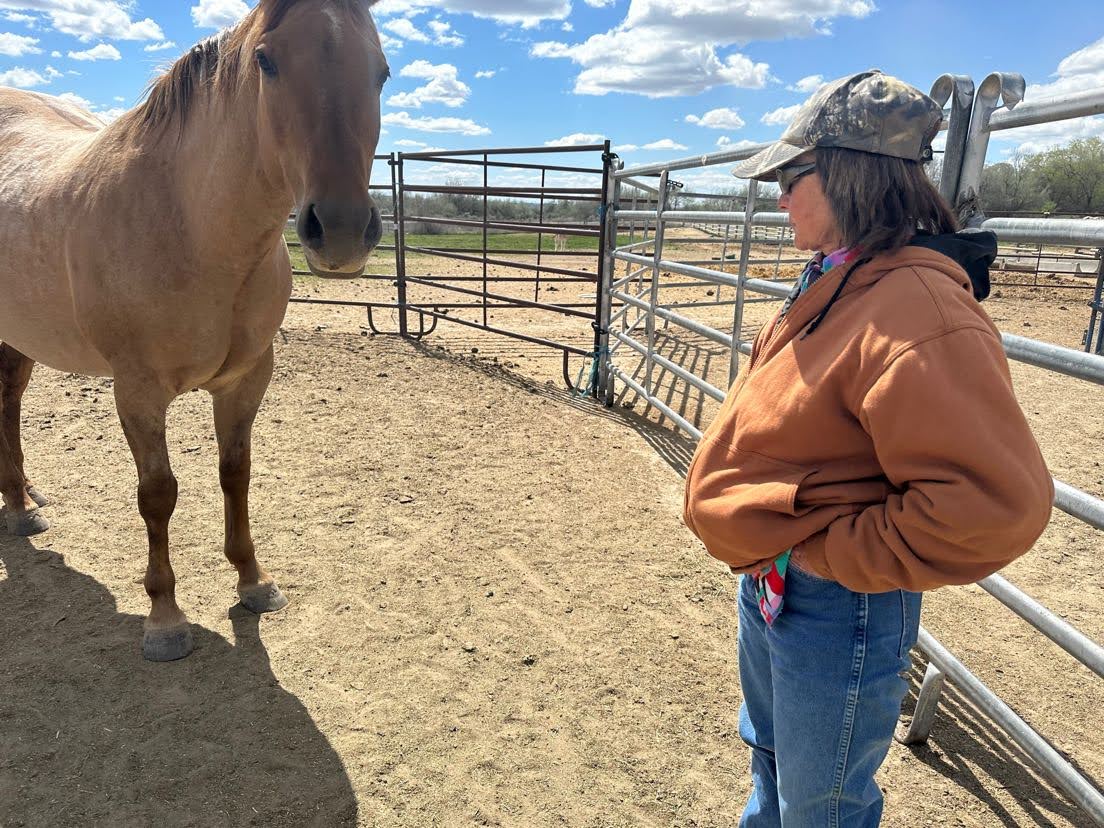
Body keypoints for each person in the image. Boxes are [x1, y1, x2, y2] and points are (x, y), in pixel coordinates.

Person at [682, 70, 1054, 826]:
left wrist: (827, 557)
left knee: (820, 807)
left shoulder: (915, 307)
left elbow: (993, 507)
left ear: (848, 174)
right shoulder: (844, 277)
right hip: (780, 585)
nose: (780, 199)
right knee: (774, 765)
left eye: (790, 178)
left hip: (833, 602)